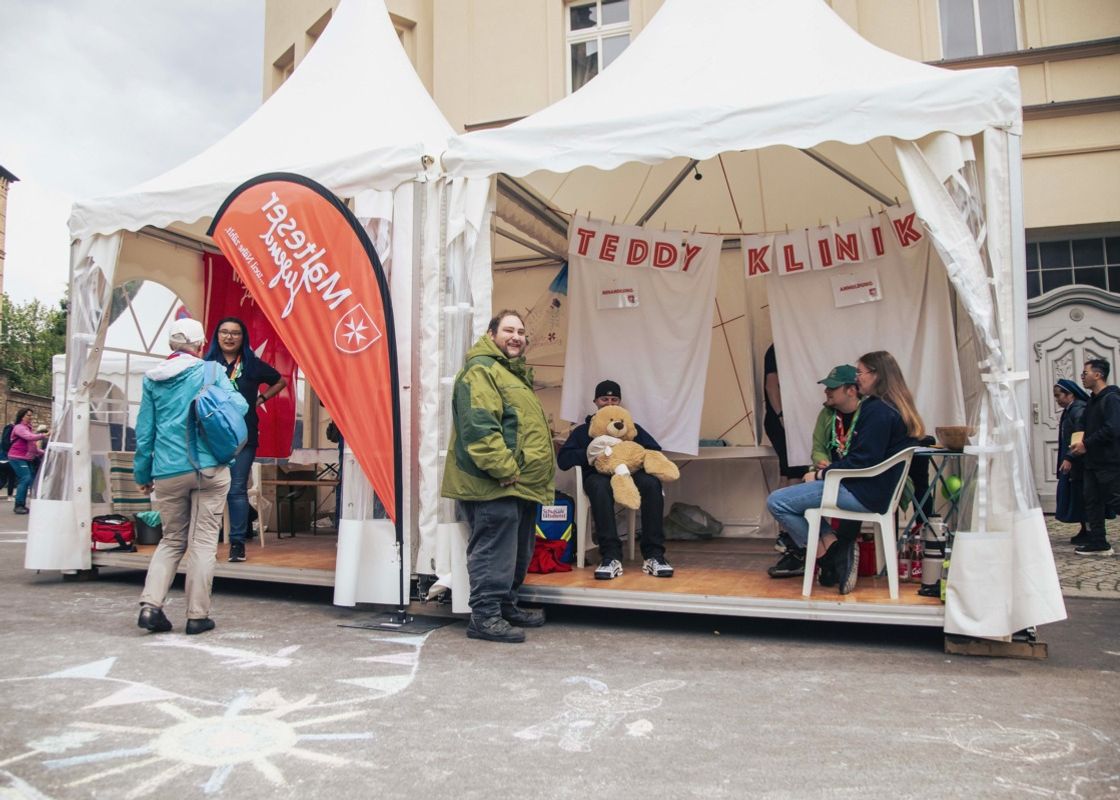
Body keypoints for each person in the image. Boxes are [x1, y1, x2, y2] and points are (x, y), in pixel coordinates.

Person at [441, 310, 555, 643]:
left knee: (516, 550)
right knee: (493, 549)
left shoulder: (511, 374)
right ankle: (484, 616)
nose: (516, 336)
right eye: (508, 330)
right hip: (493, 483)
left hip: (518, 485)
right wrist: (504, 469)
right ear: (491, 335)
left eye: (521, 331)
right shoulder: (482, 370)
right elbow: (479, 426)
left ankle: (506, 605)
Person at [135, 318, 248, 635]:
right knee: (202, 544)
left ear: (171, 346)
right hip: (210, 468)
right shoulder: (210, 371)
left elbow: (144, 433)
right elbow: (239, 406)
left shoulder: (152, 379)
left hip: (168, 471)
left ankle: (150, 606)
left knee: (171, 541)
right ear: (200, 345)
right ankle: (197, 616)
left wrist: (143, 472)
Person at [766, 365, 916, 594]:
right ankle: (835, 553)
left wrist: (822, 474)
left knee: (777, 502)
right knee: (796, 502)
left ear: (851, 390)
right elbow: (821, 449)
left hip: (857, 487)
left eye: (833, 387)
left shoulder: (874, 412)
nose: (827, 392)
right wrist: (823, 466)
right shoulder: (875, 410)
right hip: (853, 483)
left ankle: (832, 555)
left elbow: (862, 461)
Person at [557, 380, 675, 580]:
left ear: (620, 402)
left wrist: (633, 453)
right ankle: (611, 556)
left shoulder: (630, 427)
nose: (609, 403)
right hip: (597, 475)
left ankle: (654, 555)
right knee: (600, 486)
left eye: (614, 399)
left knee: (652, 484)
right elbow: (564, 460)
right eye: (605, 399)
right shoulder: (582, 431)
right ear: (595, 401)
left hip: (630, 474)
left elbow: (654, 449)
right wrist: (591, 454)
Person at [204, 317, 287, 563]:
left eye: (235, 333)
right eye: (224, 332)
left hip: (244, 436)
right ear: (217, 336)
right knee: (208, 489)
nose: (229, 337)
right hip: (211, 436)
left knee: (237, 488)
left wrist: (261, 399)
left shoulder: (251, 364)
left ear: (243, 338)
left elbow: (280, 380)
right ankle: (207, 541)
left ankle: (237, 544)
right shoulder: (207, 365)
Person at [854, 351, 934, 524]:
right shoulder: (895, 407)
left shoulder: (879, 410)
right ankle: (833, 546)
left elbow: (865, 459)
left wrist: (823, 473)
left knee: (782, 501)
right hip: (884, 491)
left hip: (870, 492)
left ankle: (830, 546)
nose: (856, 378)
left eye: (859, 373)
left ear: (876, 375)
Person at [1068, 358, 1119, 556]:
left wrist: (1086, 444)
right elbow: (1085, 425)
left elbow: (1112, 428)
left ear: (1097, 375)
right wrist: (1078, 440)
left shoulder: (1112, 398)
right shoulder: (1092, 401)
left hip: (1109, 461)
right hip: (1091, 462)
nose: (1082, 377)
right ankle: (1098, 542)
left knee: (1116, 500)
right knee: (1092, 502)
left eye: (1085, 373)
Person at [763, 344, 810, 485]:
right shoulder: (778, 348)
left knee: (787, 470)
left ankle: (778, 506)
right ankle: (786, 506)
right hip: (782, 420)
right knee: (796, 469)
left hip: (783, 419)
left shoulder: (788, 345)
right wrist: (781, 415)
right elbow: (771, 386)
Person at [1053, 378, 1090, 541]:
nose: (1057, 399)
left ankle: (1091, 532)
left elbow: (1078, 436)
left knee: (1083, 497)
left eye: (1058, 395)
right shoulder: (1070, 410)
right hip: (1072, 461)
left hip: (1079, 463)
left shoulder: (1078, 410)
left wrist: (1069, 458)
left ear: (1070, 395)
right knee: (1076, 496)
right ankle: (1084, 529)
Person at [7, 408, 49, 515]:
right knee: (25, 478)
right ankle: (19, 505)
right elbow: (29, 437)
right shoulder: (19, 428)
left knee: (32, 480)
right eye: (28, 415)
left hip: (26, 458)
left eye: (31, 415)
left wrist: (43, 452)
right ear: (22, 416)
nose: (30, 417)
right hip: (16, 457)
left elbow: (32, 447)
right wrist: (44, 434)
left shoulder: (28, 428)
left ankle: (24, 504)